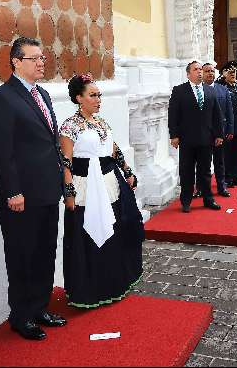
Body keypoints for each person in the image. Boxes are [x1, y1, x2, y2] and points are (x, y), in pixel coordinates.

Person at [0, 37, 66, 341]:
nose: (41, 63)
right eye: (34, 59)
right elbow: (1, 151)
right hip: (21, 196)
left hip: (47, 190)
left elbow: (48, 143)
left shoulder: (42, 93)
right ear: (16, 62)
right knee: (22, 256)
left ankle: (40, 307)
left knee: (45, 252)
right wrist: (12, 191)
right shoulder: (1, 98)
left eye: (42, 58)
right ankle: (21, 316)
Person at [58, 74, 143, 309]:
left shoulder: (102, 122)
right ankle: (90, 290)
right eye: (93, 95)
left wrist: (128, 171)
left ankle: (114, 284)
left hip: (110, 185)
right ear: (79, 98)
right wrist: (69, 193)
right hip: (85, 188)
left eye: (99, 95)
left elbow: (114, 151)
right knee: (87, 239)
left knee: (115, 234)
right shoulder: (70, 126)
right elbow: (65, 161)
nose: (98, 99)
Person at [168, 61, 224, 213]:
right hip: (187, 139)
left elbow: (216, 114)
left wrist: (219, 134)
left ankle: (208, 199)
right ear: (188, 74)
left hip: (206, 139)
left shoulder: (210, 91)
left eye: (200, 69)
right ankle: (186, 201)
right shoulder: (179, 90)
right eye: (196, 69)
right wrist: (174, 135)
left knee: (205, 171)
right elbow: (173, 115)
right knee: (186, 171)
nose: (199, 72)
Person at [202, 63, 233, 197]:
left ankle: (222, 187)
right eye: (207, 71)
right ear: (202, 74)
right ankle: (202, 188)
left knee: (220, 161)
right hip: (203, 133)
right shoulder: (199, 90)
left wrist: (230, 129)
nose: (210, 73)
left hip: (220, 131)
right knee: (203, 163)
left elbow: (229, 111)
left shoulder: (222, 89)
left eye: (212, 71)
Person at [217, 63, 237, 188]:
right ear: (224, 74)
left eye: (234, 72)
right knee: (227, 153)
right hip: (227, 126)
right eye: (230, 72)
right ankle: (227, 178)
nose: (233, 74)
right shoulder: (220, 86)